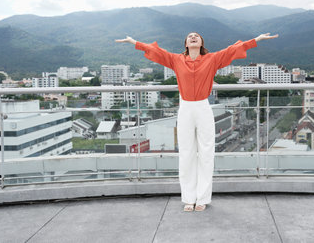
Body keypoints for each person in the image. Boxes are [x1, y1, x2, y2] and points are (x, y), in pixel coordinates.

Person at [115, 32, 279, 212]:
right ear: (185, 43)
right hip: (185, 108)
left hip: (203, 106)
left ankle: (202, 198)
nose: (193, 37)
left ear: (201, 42)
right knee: (186, 154)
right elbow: (155, 50)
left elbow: (234, 49)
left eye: (197, 36)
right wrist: (133, 42)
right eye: (190, 36)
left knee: (207, 152)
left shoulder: (212, 59)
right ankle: (188, 198)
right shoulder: (176, 60)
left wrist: (257, 40)